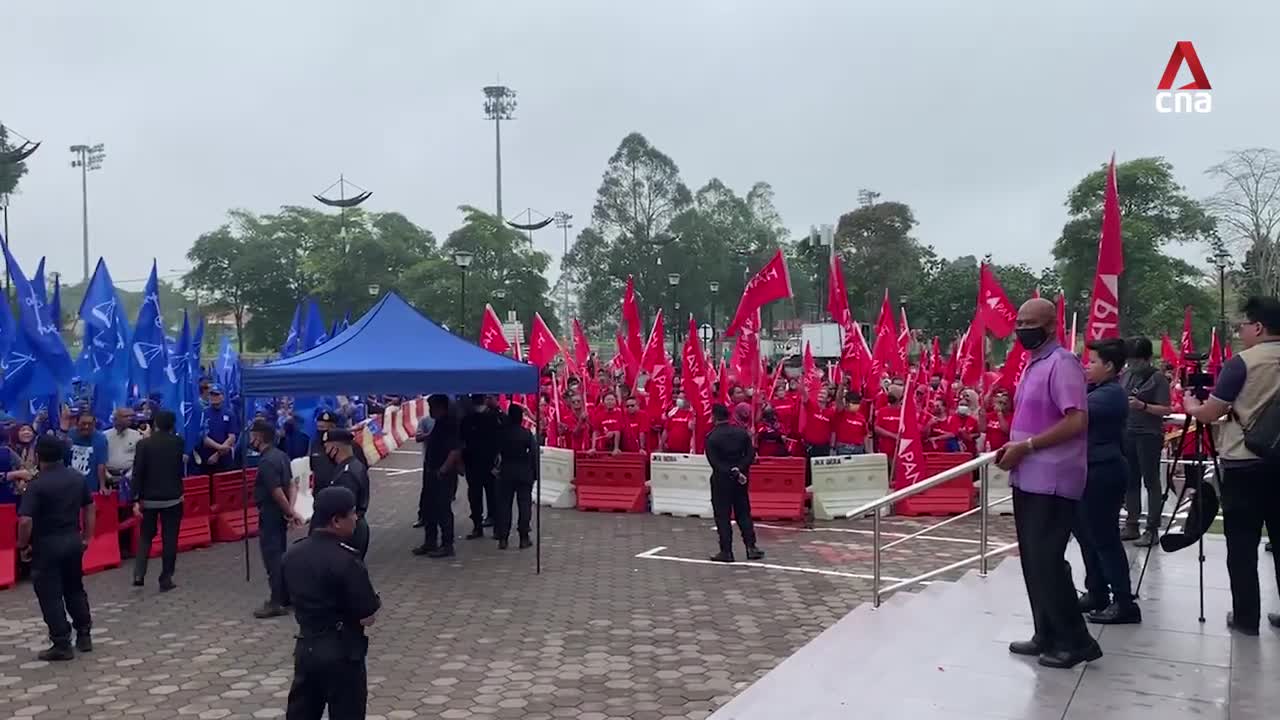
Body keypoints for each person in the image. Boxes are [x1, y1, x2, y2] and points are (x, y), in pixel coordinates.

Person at [1000, 297, 1100, 669]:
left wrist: (1027, 445)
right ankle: (1046, 631)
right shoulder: (1032, 364)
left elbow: (1076, 421)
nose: (1023, 328)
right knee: (1033, 560)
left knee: (1047, 560)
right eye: (1019, 322)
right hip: (1027, 475)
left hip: (1054, 479)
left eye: (1031, 322)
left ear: (1050, 325)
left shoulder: (1063, 363)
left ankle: (1076, 641)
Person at [1184, 296, 1280, 635]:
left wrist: (1191, 405)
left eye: (1243, 325)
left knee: (1241, 544)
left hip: (1245, 463)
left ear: (1258, 326)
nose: (1240, 331)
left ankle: (1246, 618)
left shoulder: (1241, 363)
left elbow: (1212, 413)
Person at [281, 486, 381, 720]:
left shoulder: (292, 554)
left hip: (306, 648)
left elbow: (286, 598)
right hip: (342, 651)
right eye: (352, 513)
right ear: (336, 520)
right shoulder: (347, 560)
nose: (356, 518)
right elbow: (367, 615)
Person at [1075, 339, 1140, 624]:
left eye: (1092, 362)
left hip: (1104, 471)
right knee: (1087, 536)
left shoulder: (1111, 394)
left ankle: (1124, 602)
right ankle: (1097, 592)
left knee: (1105, 539)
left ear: (1110, 366)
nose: (1087, 367)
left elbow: (1072, 412)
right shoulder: (1098, 389)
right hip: (1090, 470)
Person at [17, 435, 95, 661]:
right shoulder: (76, 478)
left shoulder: (37, 484)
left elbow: (25, 521)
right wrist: (88, 536)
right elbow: (90, 506)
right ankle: (84, 633)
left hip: (47, 544)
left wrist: (23, 545)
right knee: (74, 588)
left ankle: (61, 642)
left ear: (39, 455)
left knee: (50, 595)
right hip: (73, 540)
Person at [1120, 337, 1172, 547]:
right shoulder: (1126, 376)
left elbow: (1166, 409)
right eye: (1131, 359)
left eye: (1137, 359)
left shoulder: (1158, 379)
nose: (1133, 364)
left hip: (1148, 434)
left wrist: (1143, 406)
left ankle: (1152, 528)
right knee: (1130, 480)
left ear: (1148, 358)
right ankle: (1132, 523)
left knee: (1151, 481)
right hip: (1128, 432)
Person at [251, 419, 302, 619]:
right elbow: (291, 484)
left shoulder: (266, 462)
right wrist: (290, 509)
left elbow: (276, 491)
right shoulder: (281, 456)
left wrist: (289, 511)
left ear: (258, 437)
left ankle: (276, 601)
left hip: (271, 514)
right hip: (279, 513)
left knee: (272, 558)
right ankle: (286, 596)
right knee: (280, 555)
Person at [130, 410, 186, 591]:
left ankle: (139, 573)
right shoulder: (178, 443)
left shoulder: (143, 445)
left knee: (146, 535)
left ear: (155, 424)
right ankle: (166, 577)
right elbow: (178, 469)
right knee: (170, 538)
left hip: (149, 498)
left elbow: (138, 472)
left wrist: (136, 498)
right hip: (172, 497)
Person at [704, 403, 764, 564]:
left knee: (722, 516)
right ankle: (751, 547)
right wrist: (740, 469)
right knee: (743, 514)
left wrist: (732, 471)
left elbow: (714, 463)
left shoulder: (711, 437)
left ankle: (726, 551)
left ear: (714, 417)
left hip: (722, 480)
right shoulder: (741, 433)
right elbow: (750, 454)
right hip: (740, 479)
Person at [414, 395, 463, 559]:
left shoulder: (450, 424)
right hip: (431, 470)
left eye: (432, 407)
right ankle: (430, 541)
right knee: (429, 508)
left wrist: (443, 470)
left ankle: (447, 544)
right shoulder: (439, 423)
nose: (429, 411)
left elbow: (455, 450)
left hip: (442, 474)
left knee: (443, 508)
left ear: (441, 407)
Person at [314, 429, 370, 559]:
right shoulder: (355, 465)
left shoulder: (346, 474)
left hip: (348, 531)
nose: (325, 452)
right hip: (355, 526)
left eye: (326, 447)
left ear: (335, 448)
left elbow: (340, 510)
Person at [494, 404, 536, 550]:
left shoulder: (502, 433)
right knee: (524, 505)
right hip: (524, 473)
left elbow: (496, 453)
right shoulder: (526, 434)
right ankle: (524, 537)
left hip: (506, 472)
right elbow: (534, 454)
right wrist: (535, 473)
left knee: (504, 506)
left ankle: (503, 538)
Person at [460, 395, 502, 539]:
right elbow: (498, 441)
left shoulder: (467, 419)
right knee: (492, 494)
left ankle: (477, 526)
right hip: (489, 464)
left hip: (472, 464)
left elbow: (462, 442)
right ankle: (496, 527)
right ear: (485, 400)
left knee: (475, 496)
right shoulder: (493, 417)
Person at [105, 407, 141, 501]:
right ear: (116, 418)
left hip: (130, 479)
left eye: (131, 416)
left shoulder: (137, 436)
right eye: (126, 416)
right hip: (108, 479)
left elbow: (139, 460)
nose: (130, 418)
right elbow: (99, 459)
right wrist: (108, 476)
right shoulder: (104, 436)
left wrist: (127, 477)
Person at [68, 412, 107, 494]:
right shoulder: (69, 435)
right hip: (68, 484)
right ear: (77, 423)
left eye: (90, 424)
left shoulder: (100, 438)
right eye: (83, 424)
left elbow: (101, 464)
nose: (86, 427)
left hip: (89, 486)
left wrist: (102, 486)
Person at [200, 386, 237, 473]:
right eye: (211, 394)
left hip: (225, 459)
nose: (214, 397)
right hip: (208, 457)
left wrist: (217, 454)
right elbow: (204, 438)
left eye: (216, 394)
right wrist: (220, 447)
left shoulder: (229, 414)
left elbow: (232, 437)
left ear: (222, 397)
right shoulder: (203, 413)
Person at [412, 409, 436, 529]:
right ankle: (423, 517)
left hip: (446, 460)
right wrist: (430, 435)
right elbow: (418, 437)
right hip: (430, 460)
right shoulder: (425, 420)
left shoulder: (449, 420)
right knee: (427, 490)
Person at [833, 390, 868, 456]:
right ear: (847, 403)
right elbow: (838, 398)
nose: (856, 405)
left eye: (858, 403)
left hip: (858, 449)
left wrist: (867, 451)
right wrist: (842, 384)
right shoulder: (841, 413)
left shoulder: (861, 417)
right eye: (854, 403)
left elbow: (865, 435)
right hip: (844, 448)